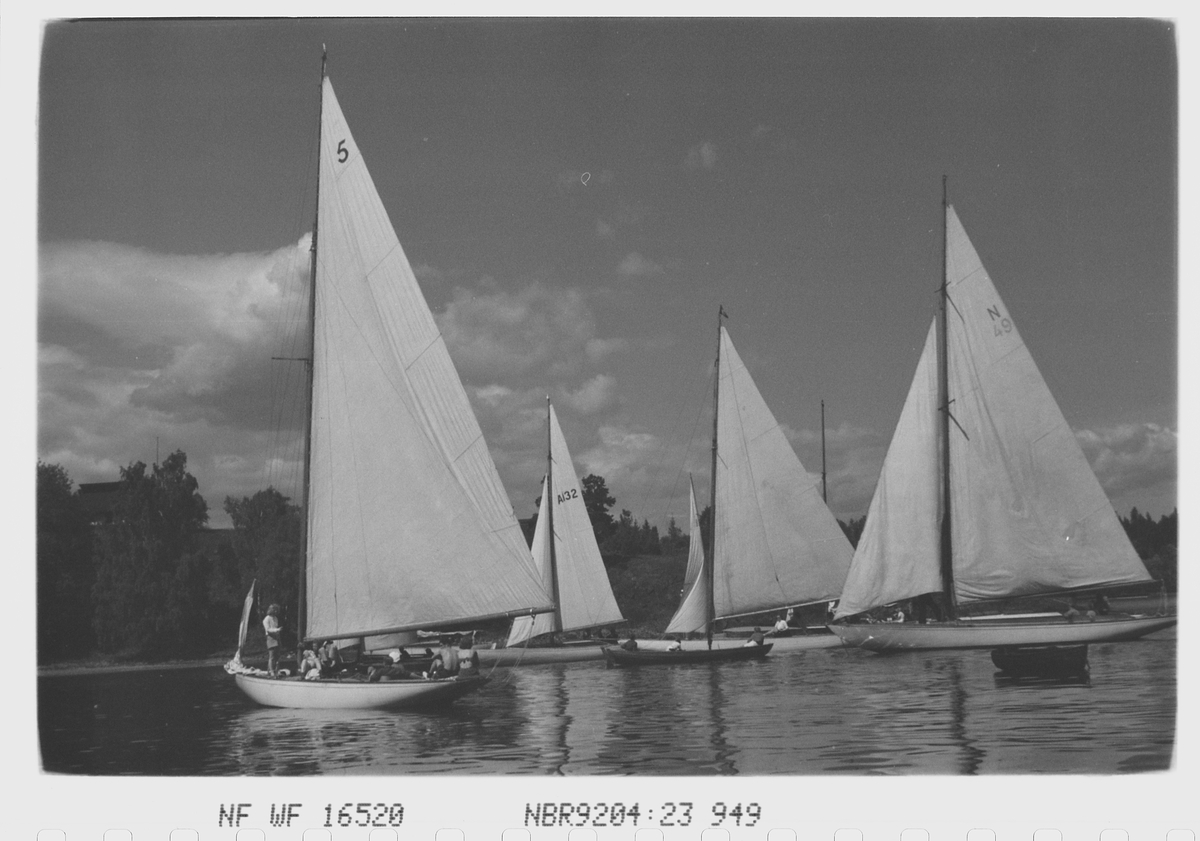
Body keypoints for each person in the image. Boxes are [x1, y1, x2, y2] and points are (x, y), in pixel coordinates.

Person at [262, 603, 282, 677]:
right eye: (275, 610)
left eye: (277, 610)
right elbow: (268, 629)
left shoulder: (276, 618)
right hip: (270, 637)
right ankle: (272, 671)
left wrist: (277, 631)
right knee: (272, 656)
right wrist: (276, 630)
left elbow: (275, 627)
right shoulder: (267, 619)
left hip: (277, 637)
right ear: (271, 610)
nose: (276, 611)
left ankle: (275, 670)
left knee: (277, 655)